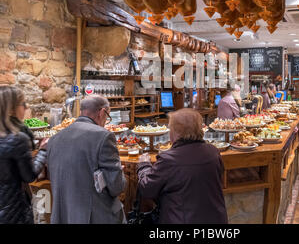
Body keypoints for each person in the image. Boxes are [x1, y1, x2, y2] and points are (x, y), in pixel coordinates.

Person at [137, 108, 228, 224]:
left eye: (170, 128)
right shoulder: (213, 152)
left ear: (177, 132)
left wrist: (144, 165)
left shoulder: (168, 159)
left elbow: (147, 189)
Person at [47, 95, 126, 224]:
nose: (106, 121)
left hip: (63, 216)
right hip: (95, 216)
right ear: (102, 112)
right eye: (107, 117)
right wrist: (120, 174)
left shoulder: (54, 139)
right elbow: (116, 187)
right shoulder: (104, 136)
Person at [0, 86, 47, 224]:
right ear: (11, 109)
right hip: (12, 207)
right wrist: (43, 150)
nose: (26, 108)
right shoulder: (17, 139)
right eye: (23, 104)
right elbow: (29, 176)